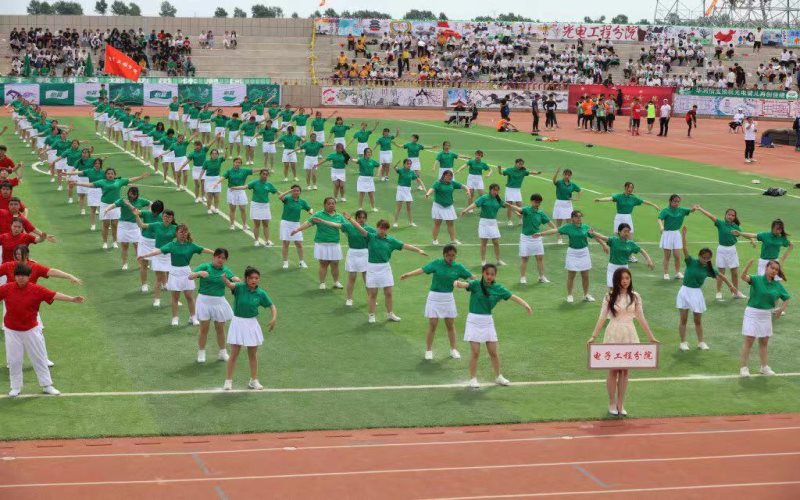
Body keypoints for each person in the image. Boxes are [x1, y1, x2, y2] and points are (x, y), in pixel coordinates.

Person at [1, 263, 84, 397]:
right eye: (18, 275)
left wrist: (72, 299)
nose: (20, 278)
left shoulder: (36, 289)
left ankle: (47, 386)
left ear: (29, 277)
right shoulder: (6, 288)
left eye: (23, 276)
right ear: (14, 276)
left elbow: (54, 295)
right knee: (14, 360)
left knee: (39, 358)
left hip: (31, 330)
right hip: (12, 331)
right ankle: (15, 387)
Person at [587, 268, 659, 416]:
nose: (625, 281)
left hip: (629, 333)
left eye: (627, 278)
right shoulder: (609, 297)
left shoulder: (635, 297)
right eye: (622, 278)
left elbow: (641, 317)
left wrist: (651, 337)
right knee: (613, 370)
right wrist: (593, 336)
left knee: (625, 371)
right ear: (616, 280)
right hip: (613, 333)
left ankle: (621, 403)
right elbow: (602, 317)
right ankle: (611, 402)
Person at [454, 264, 532, 389]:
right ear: (483, 273)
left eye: (492, 274)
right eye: (487, 273)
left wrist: (526, 305)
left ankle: (498, 377)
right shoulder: (475, 284)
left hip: (488, 322)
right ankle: (473, 379)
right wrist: (458, 283)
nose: (489, 276)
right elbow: (465, 284)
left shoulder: (498, 288)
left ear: (495, 275)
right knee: (475, 352)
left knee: (493, 352)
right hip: (473, 321)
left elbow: (513, 297)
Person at [400, 245, 475, 360]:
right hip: (434, 298)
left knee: (450, 325)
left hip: (448, 298)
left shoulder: (458, 267)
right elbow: (422, 269)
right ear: (444, 255)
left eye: (453, 255)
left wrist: (481, 284)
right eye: (448, 255)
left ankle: (453, 349)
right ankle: (428, 350)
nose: (450, 257)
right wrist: (408, 274)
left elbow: (471, 277)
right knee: (433, 325)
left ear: (455, 255)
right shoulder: (436, 263)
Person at [139, 224, 214, 326]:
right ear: (177, 233)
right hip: (174, 272)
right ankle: (175, 318)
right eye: (181, 232)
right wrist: (144, 255)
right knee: (175, 297)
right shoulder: (171, 245)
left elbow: (203, 249)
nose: (183, 234)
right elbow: (159, 251)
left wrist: (215, 253)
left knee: (189, 296)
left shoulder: (191, 245)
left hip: (186, 272)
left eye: (185, 232)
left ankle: (193, 317)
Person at [675, 226, 737, 351]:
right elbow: (685, 249)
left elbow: (721, 276)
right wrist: (684, 235)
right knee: (684, 319)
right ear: (699, 256)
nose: (705, 259)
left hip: (696, 293)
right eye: (703, 257)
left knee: (698, 320)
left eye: (708, 258)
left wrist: (731, 286)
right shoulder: (691, 261)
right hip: (685, 291)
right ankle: (683, 342)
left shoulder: (709, 269)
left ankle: (701, 342)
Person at [221, 267, 277, 391]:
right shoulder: (240, 287)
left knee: (252, 354)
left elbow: (271, 305)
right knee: (234, 353)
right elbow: (230, 285)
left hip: (252, 324)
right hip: (238, 323)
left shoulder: (261, 293)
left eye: (256, 278)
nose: (254, 280)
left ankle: (253, 380)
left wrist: (273, 318)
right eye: (251, 278)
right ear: (246, 279)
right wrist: (225, 279)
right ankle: (228, 381)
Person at [535, 210, 609, 303]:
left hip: (584, 252)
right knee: (571, 275)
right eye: (577, 217)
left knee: (585, 275)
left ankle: (586, 295)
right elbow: (555, 230)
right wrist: (541, 234)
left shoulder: (586, 227)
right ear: (572, 218)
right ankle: (570, 295)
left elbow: (595, 236)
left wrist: (604, 245)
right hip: (572, 253)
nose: (579, 218)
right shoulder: (568, 227)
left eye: (580, 216)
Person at [738, 259, 790, 377]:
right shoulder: (756, 279)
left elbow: (786, 298)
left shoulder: (777, 285)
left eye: (776, 270)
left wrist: (781, 309)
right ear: (767, 268)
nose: (774, 271)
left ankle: (764, 367)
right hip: (752, 313)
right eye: (772, 268)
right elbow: (743, 277)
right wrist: (747, 267)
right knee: (749, 340)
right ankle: (744, 368)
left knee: (764, 342)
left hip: (766, 315)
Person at [75, 168, 149, 249]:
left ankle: (114, 242)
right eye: (108, 173)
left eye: (112, 174)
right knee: (106, 225)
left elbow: (130, 180)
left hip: (115, 206)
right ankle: (105, 242)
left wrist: (141, 177)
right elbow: (90, 184)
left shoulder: (119, 181)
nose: (110, 175)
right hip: (104, 205)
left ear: (114, 175)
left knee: (114, 224)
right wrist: (77, 184)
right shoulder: (102, 182)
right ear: (106, 175)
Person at [189, 248, 238, 364]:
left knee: (220, 328)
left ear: (225, 260)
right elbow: (190, 276)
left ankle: (222, 352)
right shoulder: (205, 266)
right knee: (204, 329)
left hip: (219, 302)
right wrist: (199, 273)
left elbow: (234, 280)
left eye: (223, 258)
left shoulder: (226, 270)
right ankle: (201, 352)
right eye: (218, 257)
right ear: (214, 257)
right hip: (204, 301)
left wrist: (235, 279)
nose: (220, 260)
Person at [694, 206, 750, 300]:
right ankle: (718, 292)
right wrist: (700, 209)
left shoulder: (736, 227)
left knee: (735, 273)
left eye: (733, 215)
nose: (730, 216)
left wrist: (752, 239)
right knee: (721, 273)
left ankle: (735, 292)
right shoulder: (720, 223)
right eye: (729, 214)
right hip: (722, 250)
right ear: (725, 215)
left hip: (732, 250)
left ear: (734, 217)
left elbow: (744, 234)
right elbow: (711, 216)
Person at [594, 182, 660, 262]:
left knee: (630, 237)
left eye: (632, 188)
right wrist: (600, 200)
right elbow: (610, 198)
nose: (631, 189)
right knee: (617, 237)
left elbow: (643, 201)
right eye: (629, 187)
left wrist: (654, 205)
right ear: (625, 187)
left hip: (628, 218)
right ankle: (617, 254)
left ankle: (629, 256)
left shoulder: (633, 198)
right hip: (619, 217)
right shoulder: (619, 196)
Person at [291, 197, 345, 289]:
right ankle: (322, 283)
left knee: (335, 264)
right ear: (325, 205)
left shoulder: (339, 217)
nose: (331, 205)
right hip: (322, 244)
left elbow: (345, 228)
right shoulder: (318, 214)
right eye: (329, 203)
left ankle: (336, 282)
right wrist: (297, 229)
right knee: (323, 263)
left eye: (333, 203)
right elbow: (308, 223)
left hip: (334, 244)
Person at [510, 193, 556, 284]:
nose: (537, 204)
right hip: (525, 238)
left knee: (539, 258)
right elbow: (518, 209)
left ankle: (541, 277)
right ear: (531, 201)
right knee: (525, 258)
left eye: (539, 202)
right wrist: (509, 205)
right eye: (535, 202)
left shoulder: (541, 213)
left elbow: (549, 222)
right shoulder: (526, 210)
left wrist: (556, 230)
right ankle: (523, 277)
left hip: (537, 238)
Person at [134, 208, 177, 307]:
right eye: (166, 216)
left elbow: (183, 237)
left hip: (169, 254)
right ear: (162, 217)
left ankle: (174, 299)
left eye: (169, 217)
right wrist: (136, 215)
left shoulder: (175, 228)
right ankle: (157, 299)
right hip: (158, 254)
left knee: (172, 278)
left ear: (172, 218)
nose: (167, 219)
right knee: (159, 278)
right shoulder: (157, 225)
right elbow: (142, 225)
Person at [593, 223, 654, 288]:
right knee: (611, 288)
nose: (626, 233)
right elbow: (603, 237)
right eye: (624, 231)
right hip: (612, 268)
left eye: (628, 231)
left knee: (623, 288)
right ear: (619, 232)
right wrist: (593, 232)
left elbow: (641, 250)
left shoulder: (631, 243)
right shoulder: (614, 240)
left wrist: (649, 260)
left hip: (624, 268)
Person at [212, 157, 266, 231]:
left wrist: (263, 169)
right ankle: (232, 224)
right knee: (232, 209)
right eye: (236, 162)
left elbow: (253, 170)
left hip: (241, 191)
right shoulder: (229, 171)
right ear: (233, 163)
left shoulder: (244, 171)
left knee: (242, 209)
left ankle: (244, 224)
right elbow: (223, 177)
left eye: (239, 163)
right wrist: (216, 183)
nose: (237, 164)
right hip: (231, 191)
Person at [461, 184, 509, 266]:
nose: (495, 192)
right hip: (484, 222)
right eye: (494, 190)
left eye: (497, 190)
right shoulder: (484, 198)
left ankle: (498, 260)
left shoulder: (498, 199)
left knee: (496, 242)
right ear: (490, 190)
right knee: (484, 242)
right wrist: (465, 210)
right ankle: (483, 261)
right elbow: (475, 204)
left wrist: (517, 212)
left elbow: (507, 205)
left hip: (493, 223)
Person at [105, 186, 149, 271]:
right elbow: (114, 204)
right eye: (130, 193)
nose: (131, 195)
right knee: (125, 246)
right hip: (123, 225)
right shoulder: (123, 200)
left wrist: (150, 209)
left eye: (133, 194)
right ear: (128, 193)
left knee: (137, 245)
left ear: (136, 195)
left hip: (135, 225)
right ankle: (124, 264)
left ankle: (140, 263)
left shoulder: (141, 201)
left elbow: (147, 204)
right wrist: (107, 209)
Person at [229, 169, 278, 246]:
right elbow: (245, 187)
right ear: (260, 174)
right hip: (256, 205)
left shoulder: (269, 184)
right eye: (263, 174)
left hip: (265, 206)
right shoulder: (255, 182)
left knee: (266, 224)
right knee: (257, 224)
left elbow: (277, 192)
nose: (265, 176)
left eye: (266, 174)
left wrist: (287, 196)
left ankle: (267, 240)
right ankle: (256, 240)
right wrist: (235, 188)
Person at [426, 170, 471, 246]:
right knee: (437, 223)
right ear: (444, 176)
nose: (449, 177)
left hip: (449, 206)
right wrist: (428, 193)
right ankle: (434, 240)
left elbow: (464, 186)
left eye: (451, 176)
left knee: (450, 223)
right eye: (448, 176)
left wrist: (468, 191)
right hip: (438, 206)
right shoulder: (438, 183)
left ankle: (453, 240)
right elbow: (432, 189)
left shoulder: (452, 183)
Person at [658, 194, 695, 280]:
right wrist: (661, 226)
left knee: (677, 256)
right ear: (670, 201)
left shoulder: (681, 210)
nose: (676, 203)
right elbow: (659, 218)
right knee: (667, 256)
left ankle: (677, 272)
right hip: (667, 234)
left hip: (676, 234)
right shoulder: (665, 210)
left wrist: (694, 208)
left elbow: (691, 210)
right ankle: (666, 273)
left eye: (678, 202)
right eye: (675, 201)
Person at [278, 185, 312, 269]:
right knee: (286, 243)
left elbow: (309, 208)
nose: (296, 192)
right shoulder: (287, 199)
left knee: (299, 243)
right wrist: (288, 191)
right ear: (292, 191)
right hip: (286, 223)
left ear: (300, 192)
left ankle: (301, 262)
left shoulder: (302, 202)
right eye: (294, 190)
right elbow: (280, 197)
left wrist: (311, 212)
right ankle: (285, 262)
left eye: (298, 191)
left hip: (296, 224)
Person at [499, 159, 540, 226]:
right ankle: (509, 220)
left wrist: (536, 173)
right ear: (515, 163)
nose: (520, 165)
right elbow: (501, 173)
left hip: (517, 190)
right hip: (509, 189)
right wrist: (499, 169)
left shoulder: (523, 171)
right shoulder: (509, 170)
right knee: (509, 205)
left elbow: (529, 172)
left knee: (519, 205)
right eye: (519, 164)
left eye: (522, 164)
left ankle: (521, 219)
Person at [392, 158, 425, 228]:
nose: (409, 165)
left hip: (407, 191)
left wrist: (423, 187)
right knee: (399, 207)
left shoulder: (412, 172)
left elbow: (418, 179)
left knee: (409, 208)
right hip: (400, 190)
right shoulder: (401, 170)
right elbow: (395, 169)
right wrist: (395, 166)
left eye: (410, 164)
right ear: (404, 164)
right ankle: (395, 222)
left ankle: (411, 222)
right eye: (407, 164)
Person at [552, 168, 581, 242]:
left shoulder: (572, 184)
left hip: (568, 204)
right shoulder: (559, 182)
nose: (567, 176)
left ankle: (571, 238)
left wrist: (576, 198)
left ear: (570, 176)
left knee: (570, 221)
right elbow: (554, 181)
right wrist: (556, 173)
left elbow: (579, 190)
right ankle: (559, 238)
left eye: (569, 175)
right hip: (559, 203)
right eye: (566, 174)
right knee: (559, 221)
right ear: (563, 175)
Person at [354, 147, 379, 211]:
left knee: (371, 194)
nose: (369, 153)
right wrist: (348, 157)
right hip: (362, 178)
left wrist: (378, 174)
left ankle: (373, 207)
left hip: (370, 179)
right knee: (362, 193)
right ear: (365, 153)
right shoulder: (361, 160)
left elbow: (380, 165)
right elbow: (354, 160)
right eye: (368, 152)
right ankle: (360, 207)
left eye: (370, 152)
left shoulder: (373, 161)